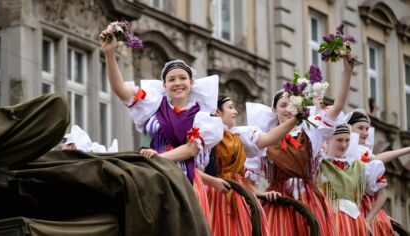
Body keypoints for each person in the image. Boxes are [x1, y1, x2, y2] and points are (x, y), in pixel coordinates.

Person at [99, 32, 224, 223]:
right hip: (153, 176)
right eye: (172, 79)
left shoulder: (203, 116)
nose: (177, 83)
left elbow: (191, 149)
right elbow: (120, 90)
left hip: (184, 180)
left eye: (182, 78)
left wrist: (158, 157)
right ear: (164, 85)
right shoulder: (153, 105)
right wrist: (109, 54)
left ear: (191, 83)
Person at [246, 54, 355, 235]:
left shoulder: (310, 131)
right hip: (278, 204)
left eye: (292, 105)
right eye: (283, 105)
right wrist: (263, 194)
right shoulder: (263, 139)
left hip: (309, 200)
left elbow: (337, 107)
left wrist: (347, 71)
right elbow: (248, 181)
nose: (288, 109)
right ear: (274, 110)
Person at [205, 95, 296, 236]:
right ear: (217, 112)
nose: (235, 112)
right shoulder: (206, 137)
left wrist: (296, 118)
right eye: (230, 107)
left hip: (240, 197)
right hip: (216, 195)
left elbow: (269, 137)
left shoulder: (239, 135)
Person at [319, 123, 386, 235]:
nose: (344, 145)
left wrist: (368, 220)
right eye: (339, 140)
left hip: (354, 221)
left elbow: (382, 195)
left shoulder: (359, 166)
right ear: (328, 140)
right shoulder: (319, 164)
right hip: (327, 218)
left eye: (347, 140)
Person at [345, 110, 400, 236]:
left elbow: (382, 194)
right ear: (348, 128)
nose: (365, 133)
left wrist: (369, 219)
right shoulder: (342, 155)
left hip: (367, 213)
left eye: (367, 129)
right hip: (347, 210)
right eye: (360, 128)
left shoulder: (367, 155)